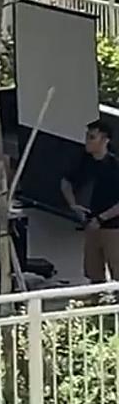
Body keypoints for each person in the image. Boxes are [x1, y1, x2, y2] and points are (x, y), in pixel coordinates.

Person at [61, 119, 119, 283]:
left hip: (114, 227)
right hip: (90, 225)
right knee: (93, 271)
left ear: (105, 140)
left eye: (92, 137)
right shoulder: (83, 162)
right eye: (87, 136)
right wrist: (74, 205)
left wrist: (102, 218)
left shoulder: (114, 166)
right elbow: (66, 182)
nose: (87, 141)